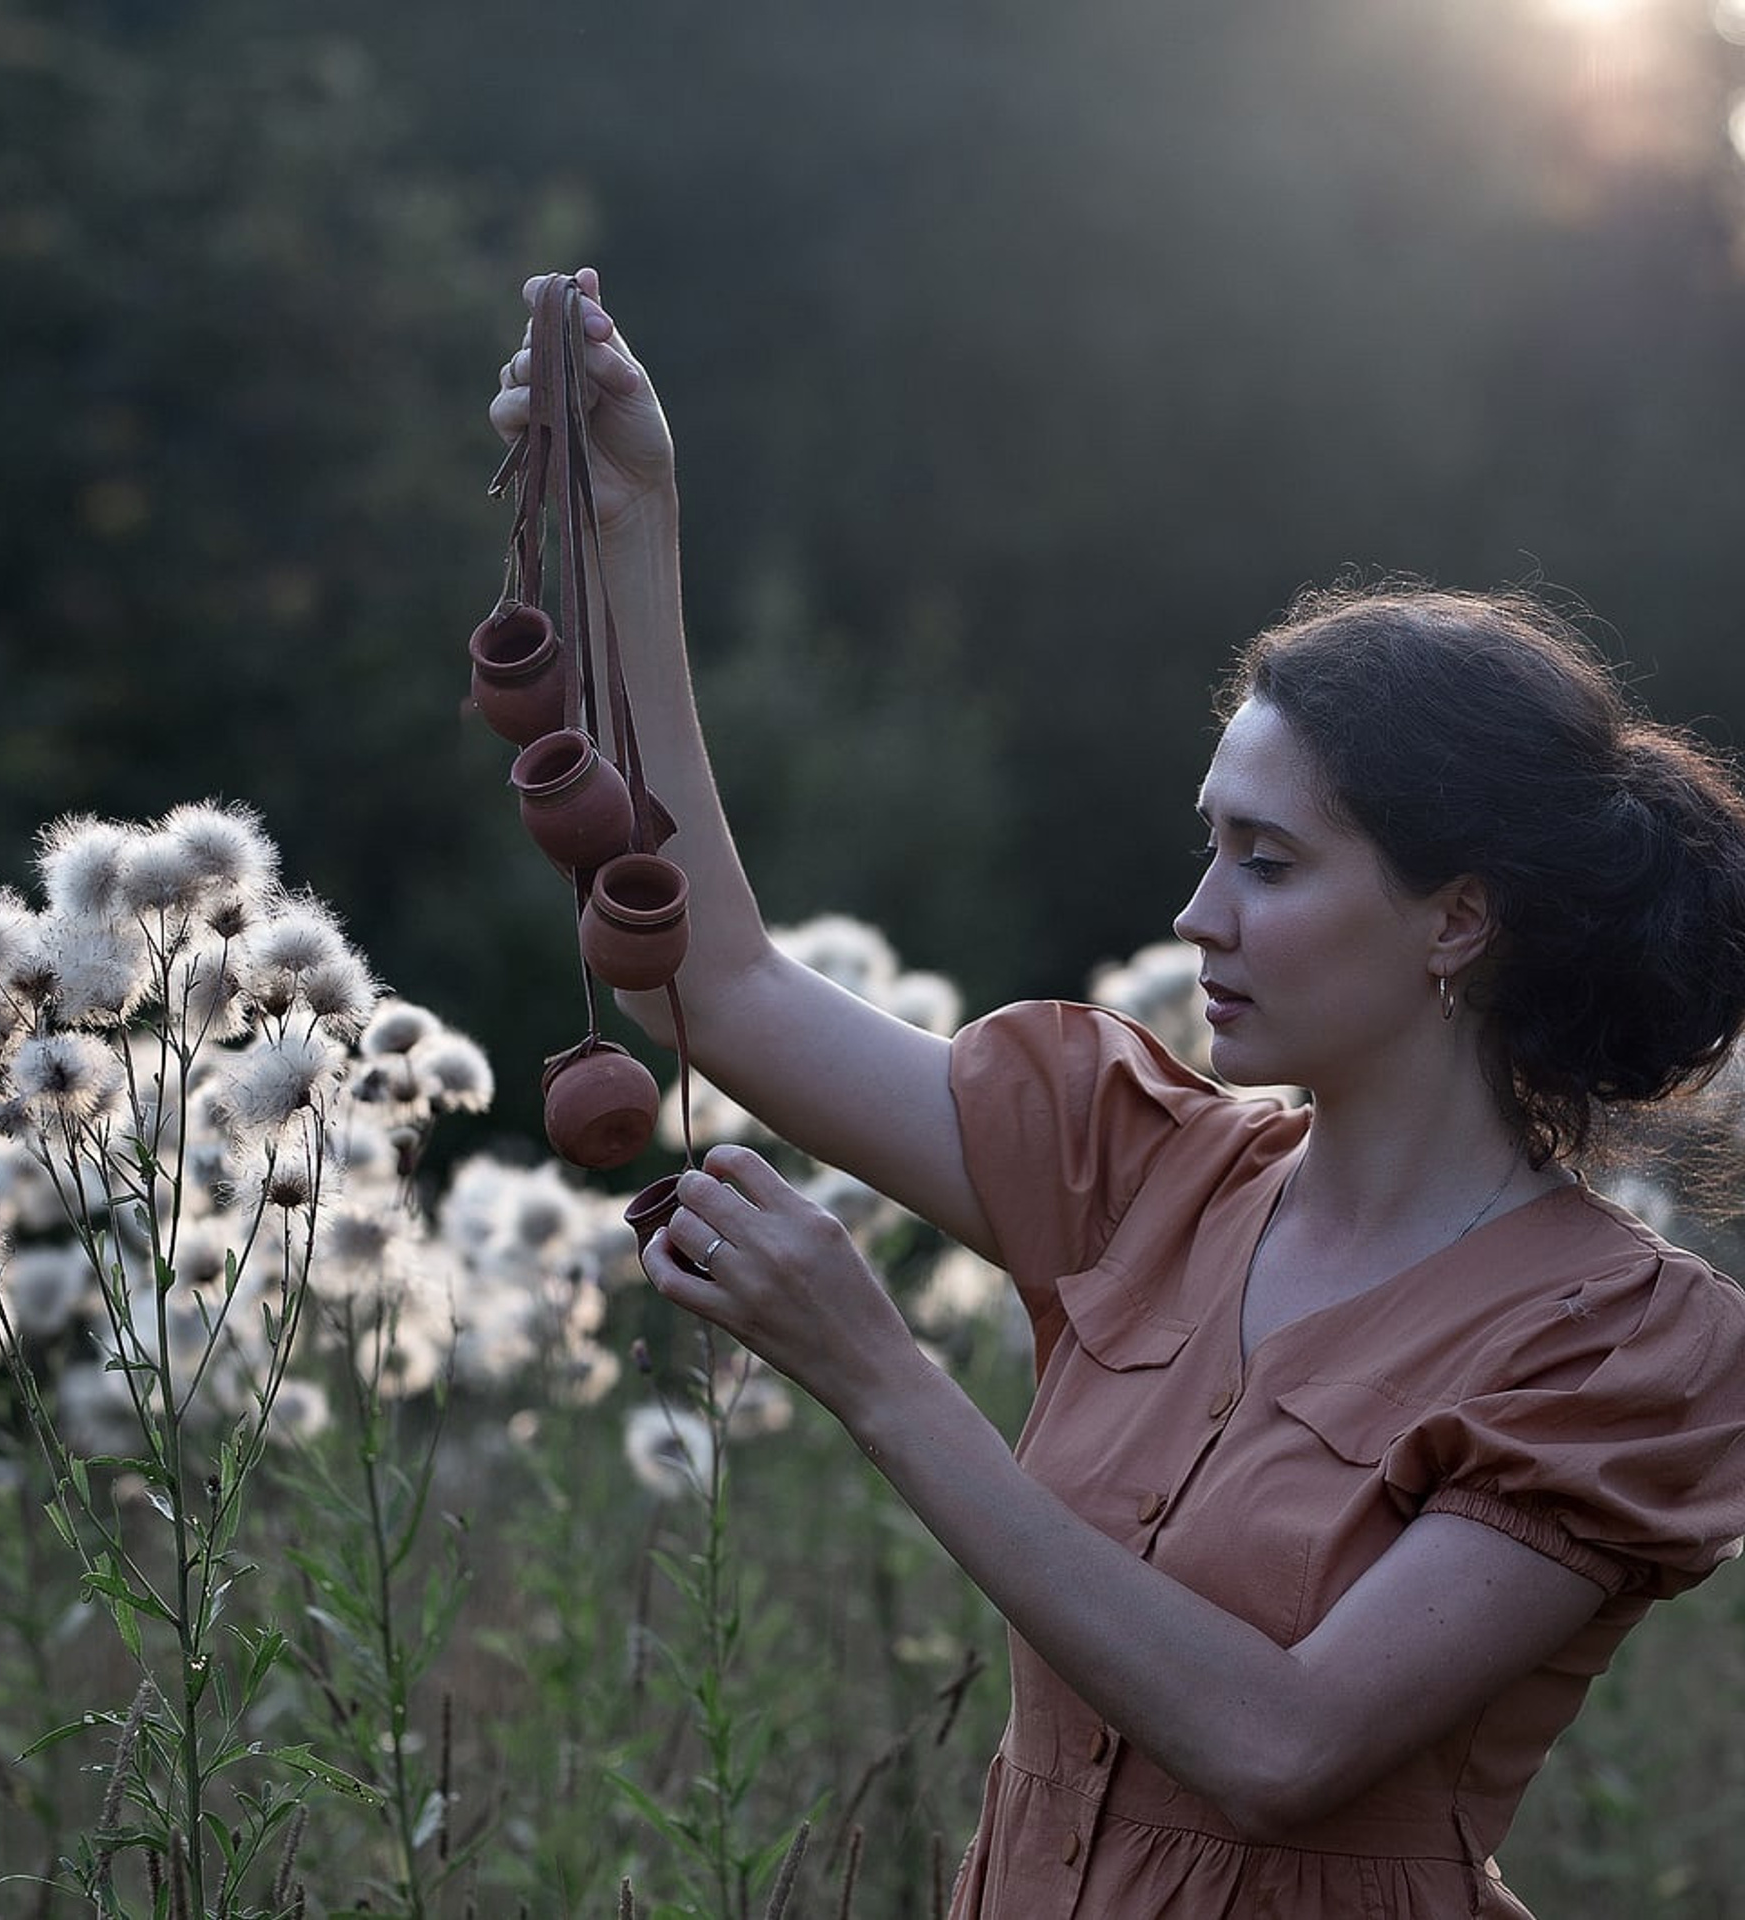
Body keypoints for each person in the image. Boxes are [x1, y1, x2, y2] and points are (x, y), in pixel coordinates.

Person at [488, 267, 1745, 1917]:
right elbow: (711, 986)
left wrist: (879, 1377)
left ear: (1459, 917)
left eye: (1269, 863)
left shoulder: (1619, 1349)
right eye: (1209, 844)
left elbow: (1284, 1748)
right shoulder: (1135, 1168)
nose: (1196, 915)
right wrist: (635, 521)